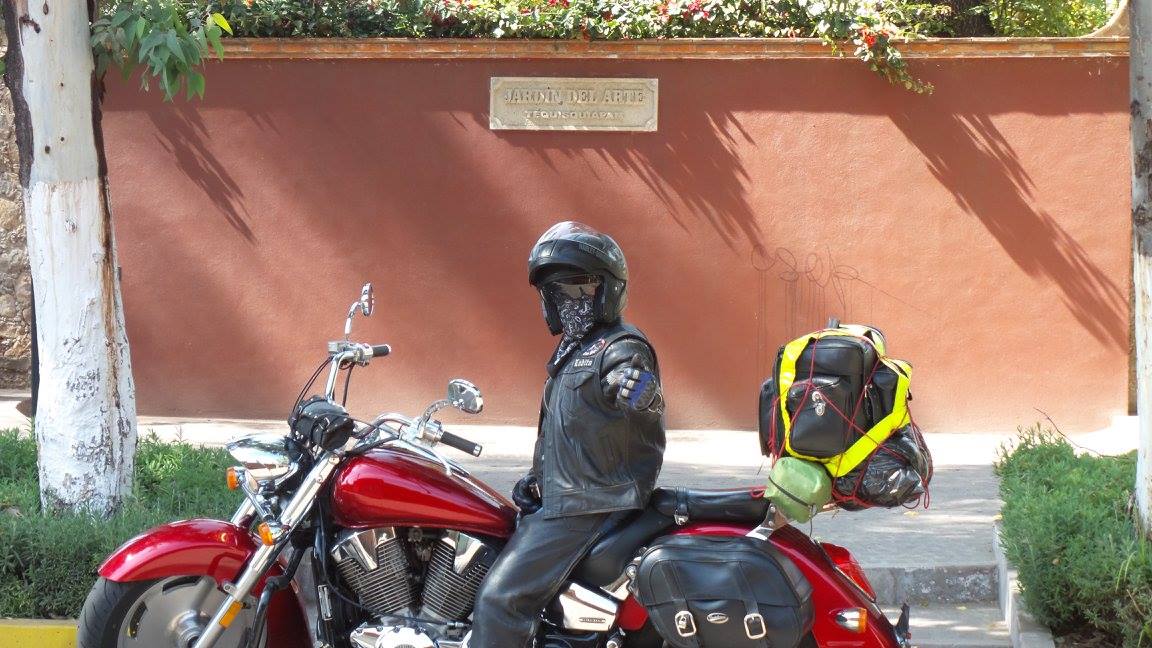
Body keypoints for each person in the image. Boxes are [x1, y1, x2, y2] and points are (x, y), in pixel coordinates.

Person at [467, 221, 667, 648]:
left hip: (592, 503)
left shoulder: (620, 346)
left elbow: (640, 391)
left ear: (608, 290)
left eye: (581, 287)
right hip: (571, 497)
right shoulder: (574, 350)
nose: (570, 300)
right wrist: (538, 481)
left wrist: (637, 390)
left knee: (500, 602)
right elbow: (566, 433)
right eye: (559, 291)